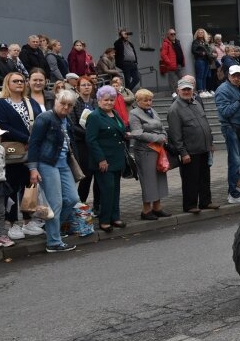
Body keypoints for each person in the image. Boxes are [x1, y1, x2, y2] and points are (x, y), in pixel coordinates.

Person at [27, 89, 80, 252]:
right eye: (62, 103)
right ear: (55, 101)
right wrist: (33, 169)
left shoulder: (67, 119)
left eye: (69, 105)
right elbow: (34, 144)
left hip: (63, 164)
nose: (65, 107)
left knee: (72, 198)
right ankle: (53, 242)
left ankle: (53, 228)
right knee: (55, 203)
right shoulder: (45, 118)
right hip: (47, 164)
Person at [0, 72, 44, 240]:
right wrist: (26, 138)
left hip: (31, 151)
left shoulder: (30, 102)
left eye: (22, 81)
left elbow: (40, 120)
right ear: (7, 84)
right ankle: (12, 223)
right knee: (12, 188)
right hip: (13, 154)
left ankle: (28, 220)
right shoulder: (0, 103)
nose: (19, 83)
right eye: (15, 81)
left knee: (29, 187)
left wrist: (35, 139)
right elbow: (2, 124)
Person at [168, 76, 218, 213]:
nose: (186, 92)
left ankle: (205, 202)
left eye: (188, 89)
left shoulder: (196, 103)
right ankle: (190, 205)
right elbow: (175, 135)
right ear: (178, 90)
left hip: (203, 148)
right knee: (190, 180)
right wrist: (183, 152)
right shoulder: (174, 109)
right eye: (184, 89)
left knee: (204, 177)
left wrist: (210, 143)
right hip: (189, 151)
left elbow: (205, 124)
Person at [85, 85, 128, 233]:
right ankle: (104, 220)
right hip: (104, 161)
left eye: (111, 100)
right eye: (106, 100)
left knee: (115, 190)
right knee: (107, 190)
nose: (109, 103)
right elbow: (91, 140)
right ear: (99, 100)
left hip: (117, 158)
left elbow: (120, 131)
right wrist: (101, 159)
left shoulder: (115, 114)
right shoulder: (95, 116)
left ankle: (115, 217)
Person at [129, 89, 172, 220]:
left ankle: (157, 207)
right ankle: (146, 210)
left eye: (150, 100)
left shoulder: (153, 111)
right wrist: (157, 138)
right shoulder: (134, 113)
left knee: (160, 177)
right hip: (144, 151)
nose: (149, 102)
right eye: (145, 100)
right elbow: (137, 133)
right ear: (137, 101)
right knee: (149, 180)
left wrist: (164, 136)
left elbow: (162, 127)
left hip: (158, 149)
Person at [215, 65, 240, 205]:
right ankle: (233, 194)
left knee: (238, 161)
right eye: (234, 75)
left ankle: (237, 191)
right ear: (228, 76)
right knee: (235, 161)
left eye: (239, 75)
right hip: (230, 128)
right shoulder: (222, 90)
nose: (236, 78)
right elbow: (225, 112)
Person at [69, 75, 100, 210]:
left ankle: (98, 206)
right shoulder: (75, 103)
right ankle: (80, 205)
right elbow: (72, 125)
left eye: (89, 85)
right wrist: (89, 134)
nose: (86, 87)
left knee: (98, 177)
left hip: (96, 143)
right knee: (86, 176)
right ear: (78, 88)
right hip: (82, 144)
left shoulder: (96, 102)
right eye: (83, 85)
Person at [0, 124, 15, 248]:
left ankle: (1, 235)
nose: (0, 138)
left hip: (0, 182)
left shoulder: (1, 149)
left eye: (0, 136)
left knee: (2, 211)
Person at [192, 28, 214, 98]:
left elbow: (209, 51)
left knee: (205, 76)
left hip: (206, 60)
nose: (200, 33)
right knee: (200, 76)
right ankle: (200, 91)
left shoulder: (205, 42)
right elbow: (193, 51)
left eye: (202, 32)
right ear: (197, 34)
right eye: (199, 32)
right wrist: (201, 53)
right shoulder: (195, 42)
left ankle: (204, 90)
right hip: (200, 60)